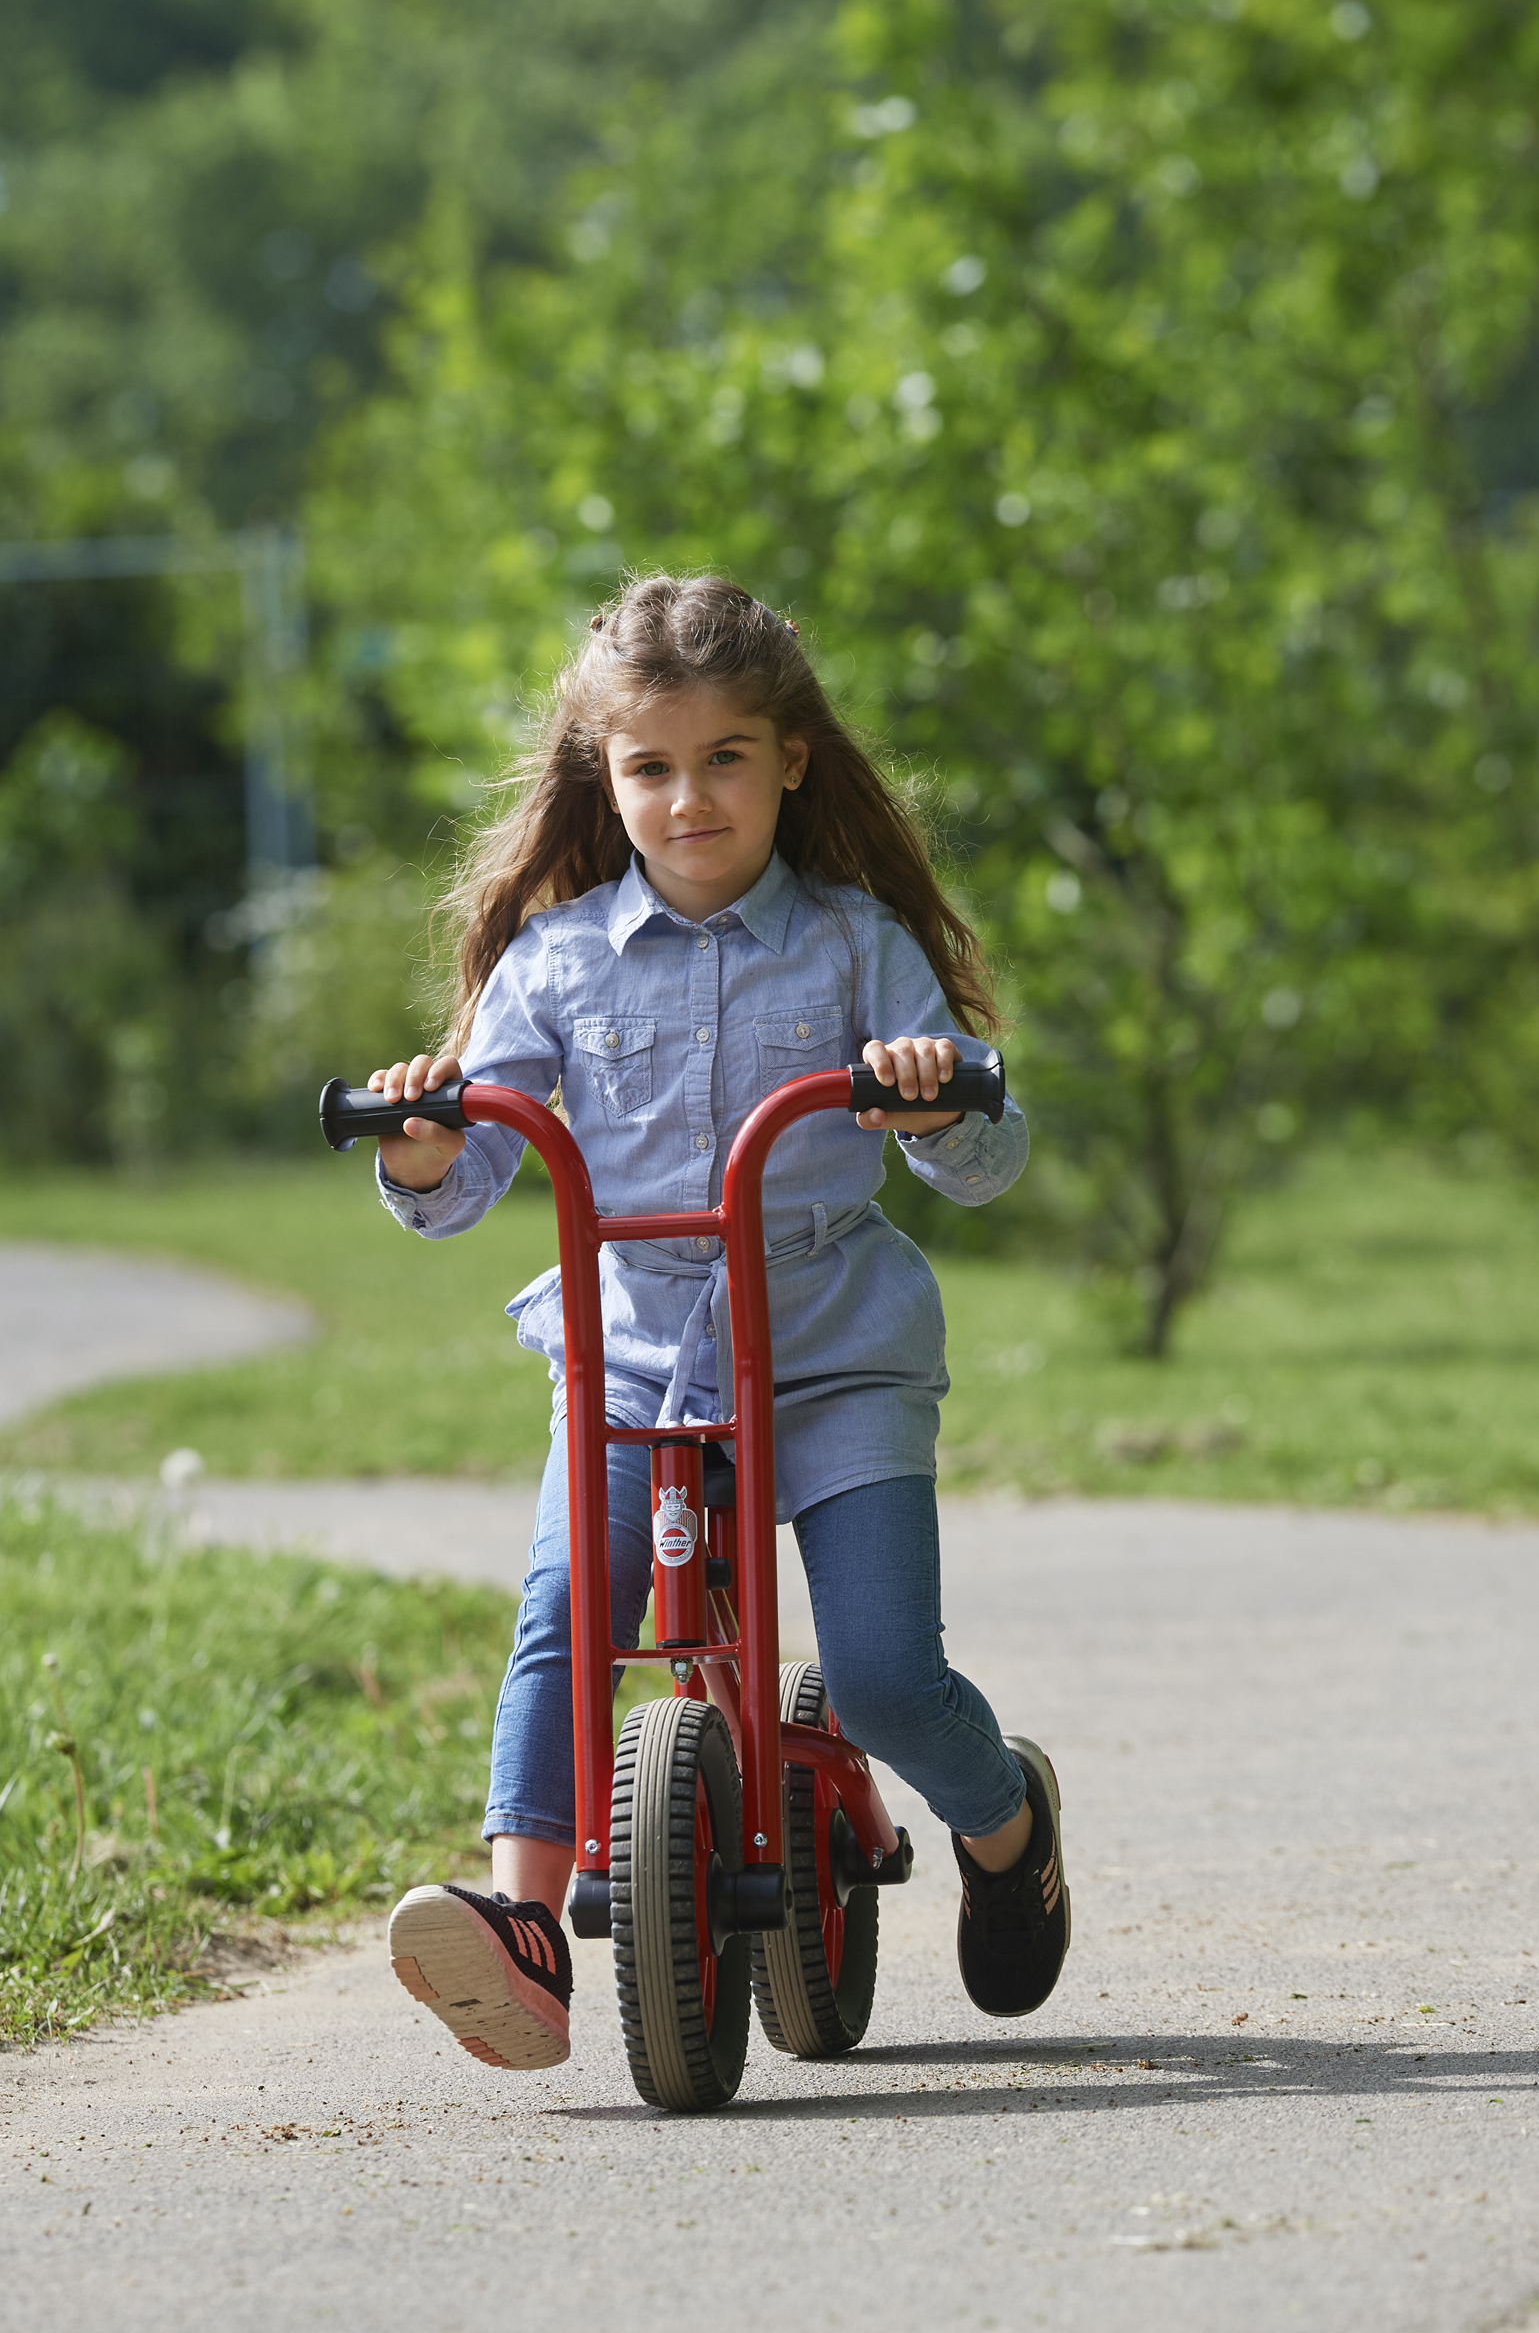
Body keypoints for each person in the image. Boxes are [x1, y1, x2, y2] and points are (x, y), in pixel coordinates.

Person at [367, 573, 1069, 2070]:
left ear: (789, 759)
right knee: (570, 1617)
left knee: (880, 1674)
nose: (692, 800)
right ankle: (526, 1931)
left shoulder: (852, 942)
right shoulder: (553, 966)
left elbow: (988, 1152)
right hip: (633, 1360)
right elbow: (467, 1164)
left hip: (830, 1347)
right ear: (606, 777)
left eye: (725, 760)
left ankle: (1007, 1828)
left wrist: (938, 1094)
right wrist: (424, 1143)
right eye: (653, 769)